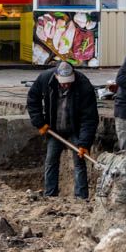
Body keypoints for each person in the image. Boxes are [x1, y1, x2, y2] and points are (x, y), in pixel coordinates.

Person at [26, 61, 99, 200]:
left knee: (79, 162)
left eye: (68, 82)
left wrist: (84, 143)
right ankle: (50, 195)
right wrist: (39, 122)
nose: (66, 85)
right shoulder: (45, 79)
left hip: (75, 129)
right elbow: (32, 99)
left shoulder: (83, 85)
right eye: (63, 82)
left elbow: (89, 118)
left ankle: (81, 198)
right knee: (51, 161)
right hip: (55, 129)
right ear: (56, 76)